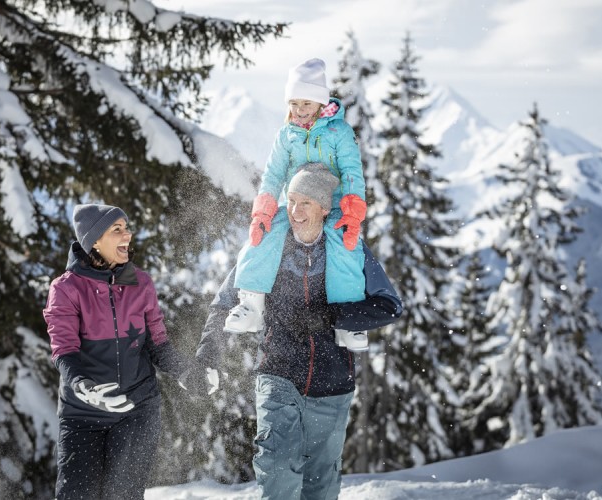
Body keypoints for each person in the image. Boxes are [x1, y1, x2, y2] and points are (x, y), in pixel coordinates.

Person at [193, 165, 403, 499]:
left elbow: (389, 305)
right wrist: (208, 354)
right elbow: (224, 302)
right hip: (278, 372)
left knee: (320, 484)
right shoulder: (267, 246)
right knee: (277, 468)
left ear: (324, 208)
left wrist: (332, 315)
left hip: (333, 381)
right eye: (290, 200)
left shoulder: (348, 249)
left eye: (305, 202)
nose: (294, 211)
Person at [43, 203, 217, 500]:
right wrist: (84, 387)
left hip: (137, 409)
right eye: (117, 229)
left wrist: (187, 372)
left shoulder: (140, 282)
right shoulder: (66, 289)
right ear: (94, 241)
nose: (128, 235)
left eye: (127, 228)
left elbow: (158, 344)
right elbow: (64, 350)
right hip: (82, 415)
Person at [225, 57, 368, 334]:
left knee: (343, 243)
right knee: (266, 232)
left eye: (306, 103)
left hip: (332, 205)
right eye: (293, 103)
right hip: (296, 204)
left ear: (320, 103)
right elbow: (273, 175)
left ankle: (348, 319)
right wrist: (263, 212)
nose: (299, 110)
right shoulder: (286, 135)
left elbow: (352, 173)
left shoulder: (339, 132)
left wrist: (351, 213)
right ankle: (251, 304)